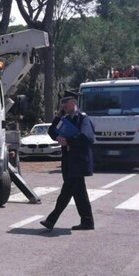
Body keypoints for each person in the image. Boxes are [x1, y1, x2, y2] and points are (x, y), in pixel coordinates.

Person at [40, 90, 97, 231]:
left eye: (66, 102)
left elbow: (87, 138)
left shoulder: (83, 118)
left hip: (78, 161)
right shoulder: (66, 119)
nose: (63, 105)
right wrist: (58, 117)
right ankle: (87, 221)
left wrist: (68, 141)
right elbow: (52, 132)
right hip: (68, 161)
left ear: (74, 102)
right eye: (62, 102)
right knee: (78, 192)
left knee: (67, 191)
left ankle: (51, 220)